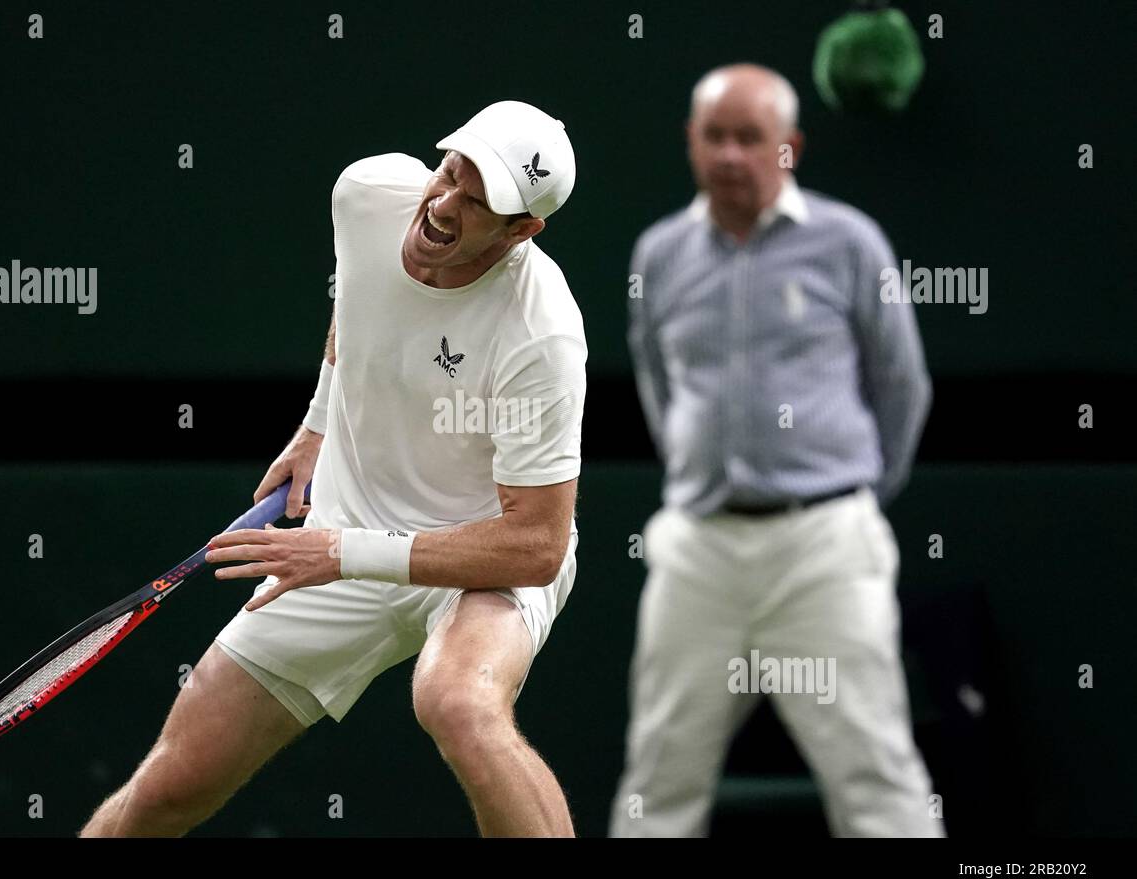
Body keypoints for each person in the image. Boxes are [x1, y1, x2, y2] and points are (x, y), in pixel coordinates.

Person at [80, 101, 586, 837]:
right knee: (165, 791)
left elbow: (537, 546)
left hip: (477, 556)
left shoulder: (539, 335)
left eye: (477, 204)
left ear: (521, 232)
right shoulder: (368, 197)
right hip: (341, 536)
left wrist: (340, 550)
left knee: (457, 702)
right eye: (450, 173)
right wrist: (318, 424)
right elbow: (358, 304)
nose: (443, 207)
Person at [609, 64, 942, 837]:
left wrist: (843, 496)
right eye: (715, 137)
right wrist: (704, 472)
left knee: (876, 770)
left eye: (750, 138)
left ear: (789, 147)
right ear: (690, 143)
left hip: (825, 544)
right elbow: (659, 386)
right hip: (698, 549)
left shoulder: (850, 241)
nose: (731, 155)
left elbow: (902, 385)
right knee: (657, 772)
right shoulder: (658, 254)